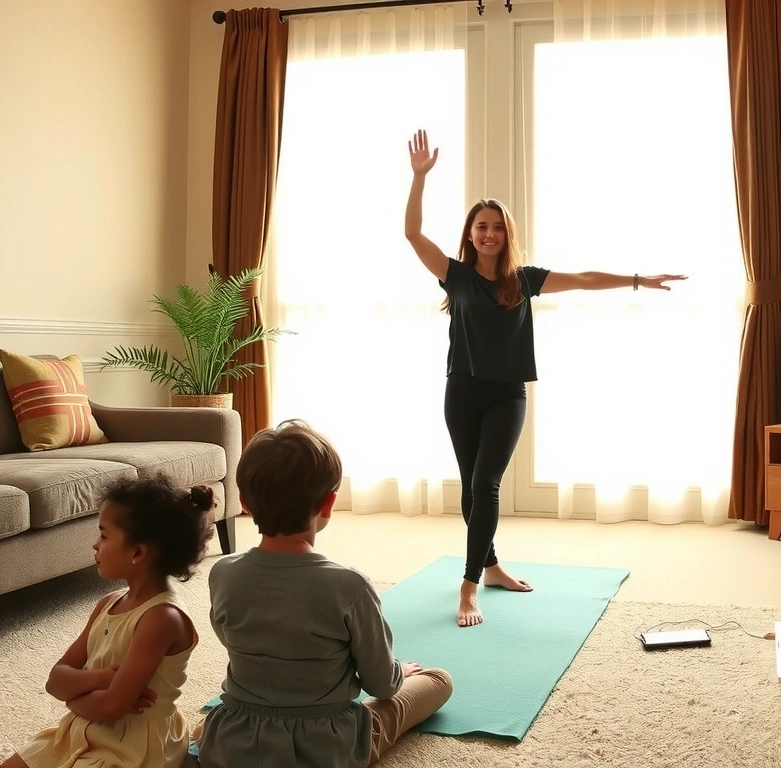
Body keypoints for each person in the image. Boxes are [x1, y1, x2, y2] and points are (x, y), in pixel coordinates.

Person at [404, 128, 688, 628]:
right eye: (481, 226)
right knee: (471, 489)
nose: (489, 233)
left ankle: (468, 586)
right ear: (470, 234)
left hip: (507, 396)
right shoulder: (455, 275)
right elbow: (412, 234)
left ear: (506, 234)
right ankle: (490, 567)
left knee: (486, 483)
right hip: (462, 391)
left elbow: (584, 279)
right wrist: (419, 178)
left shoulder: (524, 280)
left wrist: (640, 279)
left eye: (496, 226)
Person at [195, 419, 454, 768]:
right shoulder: (350, 586)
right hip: (327, 747)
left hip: (235, 742)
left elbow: (232, 641)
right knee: (438, 680)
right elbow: (381, 685)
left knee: (207, 722)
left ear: (245, 503)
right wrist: (398, 671)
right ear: (329, 503)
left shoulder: (222, 573)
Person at [1, 474, 214, 768]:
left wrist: (73, 699)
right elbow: (55, 680)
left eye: (103, 535)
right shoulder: (108, 603)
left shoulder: (162, 618)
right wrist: (100, 679)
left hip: (133, 747)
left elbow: (112, 708)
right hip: (80, 731)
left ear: (138, 552)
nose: (95, 545)